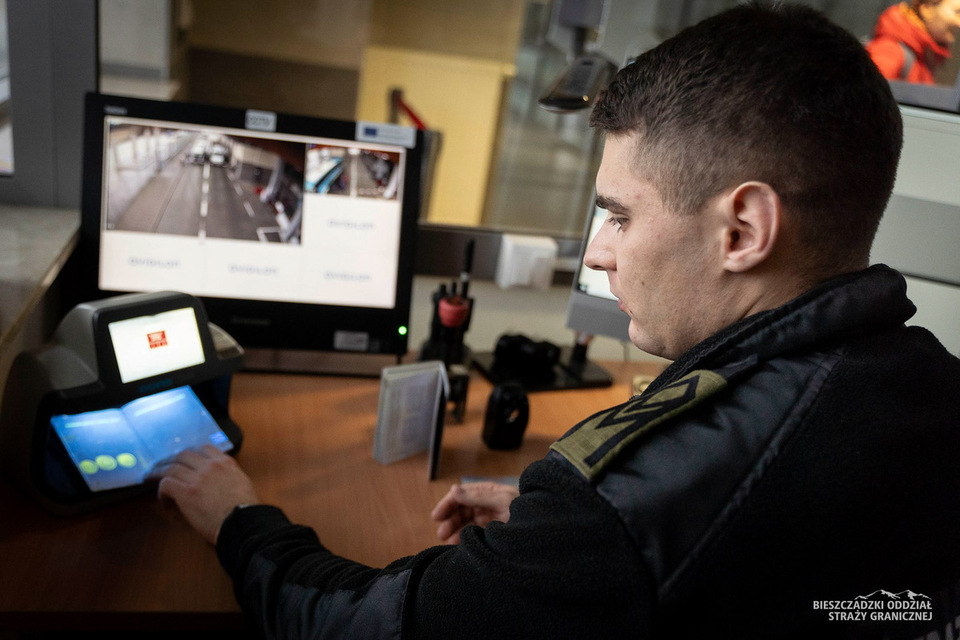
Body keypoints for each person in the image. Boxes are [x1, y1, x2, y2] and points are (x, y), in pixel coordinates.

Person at [158, 3, 960, 638]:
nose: (600, 253)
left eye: (620, 215)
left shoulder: (625, 508)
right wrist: (576, 541)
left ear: (743, 230)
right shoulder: (929, 384)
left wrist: (237, 517)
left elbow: (364, 625)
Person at [866, 0, 960, 83]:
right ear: (927, 9)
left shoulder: (922, 56)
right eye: (957, 12)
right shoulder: (890, 51)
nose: (959, 23)